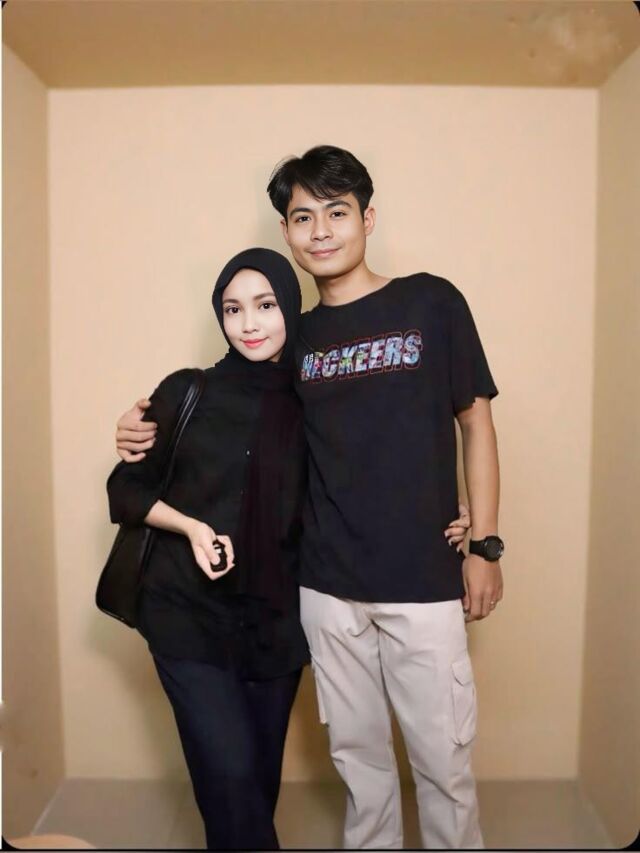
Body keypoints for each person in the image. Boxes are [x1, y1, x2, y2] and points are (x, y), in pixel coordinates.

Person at [114, 146, 502, 850]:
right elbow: (237, 414)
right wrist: (141, 425)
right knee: (361, 770)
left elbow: (475, 420)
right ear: (287, 233)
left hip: (422, 580)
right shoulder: (293, 339)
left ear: (367, 218)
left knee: (444, 769)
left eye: (336, 212)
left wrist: (485, 542)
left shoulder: (431, 301)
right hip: (324, 591)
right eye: (303, 217)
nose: (320, 231)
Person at [106, 248, 311, 850]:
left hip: (277, 624)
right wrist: (192, 528)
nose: (249, 324)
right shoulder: (186, 391)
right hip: (185, 613)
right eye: (232, 309)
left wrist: (449, 514)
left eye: (265, 306)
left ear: (290, 306)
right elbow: (125, 489)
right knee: (231, 779)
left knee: (253, 791)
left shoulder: (316, 403)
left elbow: (356, 486)